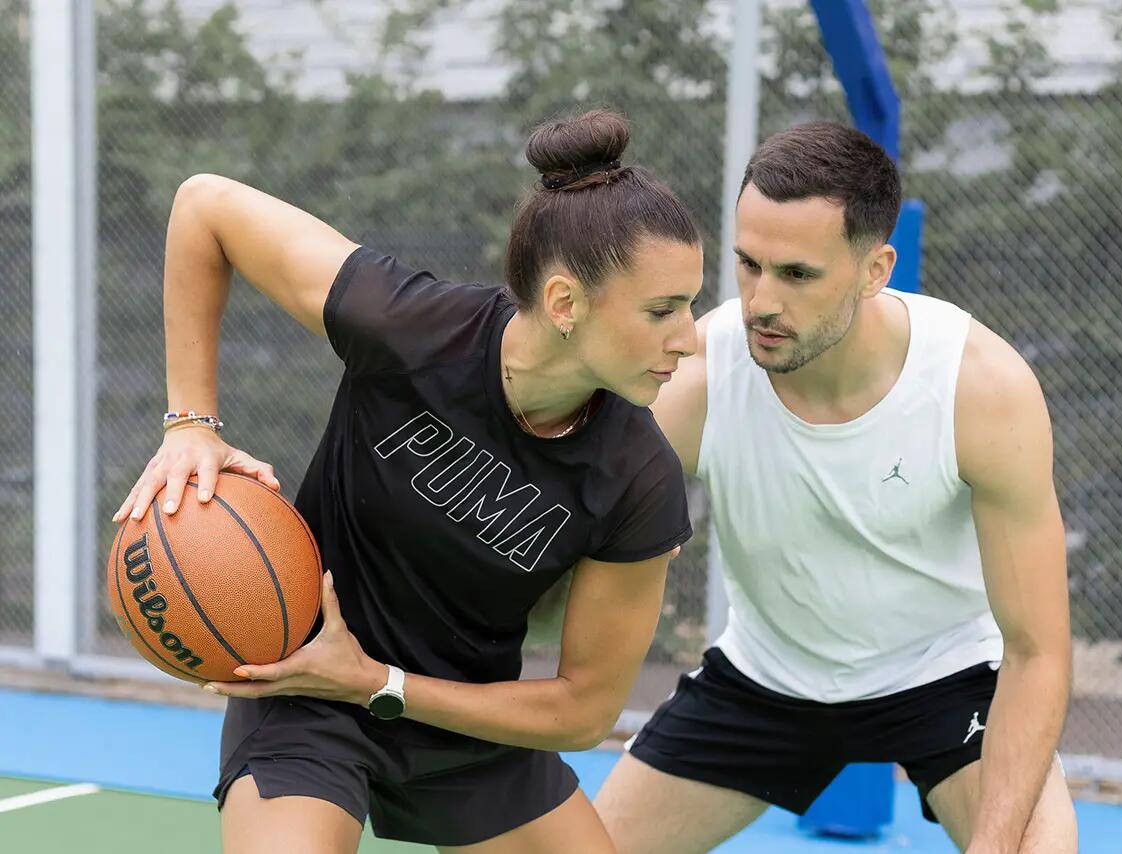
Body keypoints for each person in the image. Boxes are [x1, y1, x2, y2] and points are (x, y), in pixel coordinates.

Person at [112, 109, 703, 853]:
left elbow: (582, 712)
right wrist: (191, 424)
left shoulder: (638, 477)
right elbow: (205, 205)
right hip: (308, 688)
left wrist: (377, 683)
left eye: (690, 305)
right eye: (662, 310)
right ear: (564, 303)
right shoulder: (413, 330)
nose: (688, 338)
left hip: (464, 716)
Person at [595, 122, 1078, 853]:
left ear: (875, 269)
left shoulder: (980, 388)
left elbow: (1038, 650)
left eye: (797, 274)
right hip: (763, 680)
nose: (759, 301)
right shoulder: (698, 379)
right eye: (748, 264)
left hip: (946, 675)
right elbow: (569, 532)